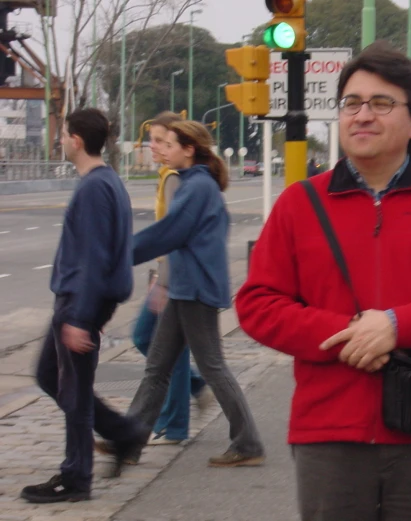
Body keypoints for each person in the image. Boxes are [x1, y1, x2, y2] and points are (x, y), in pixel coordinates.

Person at [235, 41, 411, 521]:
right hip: (329, 432)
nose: (362, 115)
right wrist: (347, 336)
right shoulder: (299, 205)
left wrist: (397, 326)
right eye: (351, 104)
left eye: (381, 103)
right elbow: (258, 304)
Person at [117, 120, 264, 475]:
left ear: (189, 149)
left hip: (195, 289)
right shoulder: (195, 183)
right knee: (158, 366)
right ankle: (130, 440)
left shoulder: (196, 186)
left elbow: (170, 232)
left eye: (168, 144)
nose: (162, 149)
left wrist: (119, 254)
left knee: (212, 367)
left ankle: (248, 443)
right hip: (187, 287)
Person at [20, 108, 146, 504]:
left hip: (77, 304)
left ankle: (77, 478)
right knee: (49, 375)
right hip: (84, 302)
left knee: (73, 392)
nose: (59, 141)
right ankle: (124, 433)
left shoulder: (94, 188)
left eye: (63, 135)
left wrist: (81, 317)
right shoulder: (107, 182)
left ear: (76, 140)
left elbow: (92, 258)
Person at [99, 112, 212, 457]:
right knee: (156, 345)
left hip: (176, 279)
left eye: (163, 141)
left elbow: (173, 236)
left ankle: (173, 423)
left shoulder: (178, 179)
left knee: (161, 351)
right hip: (170, 276)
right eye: (153, 141)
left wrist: (161, 282)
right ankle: (193, 389)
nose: (155, 147)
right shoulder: (168, 175)